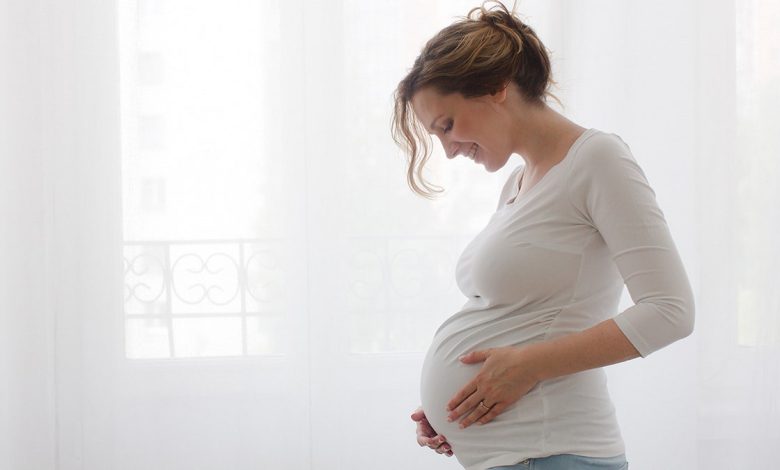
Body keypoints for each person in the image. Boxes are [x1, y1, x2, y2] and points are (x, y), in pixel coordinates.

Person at [390, 2, 695, 470]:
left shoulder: (598, 159)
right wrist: (454, 409)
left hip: (556, 453)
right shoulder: (516, 183)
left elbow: (671, 312)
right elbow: (522, 315)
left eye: (447, 126)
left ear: (496, 88)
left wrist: (526, 367)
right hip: (516, 456)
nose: (449, 150)